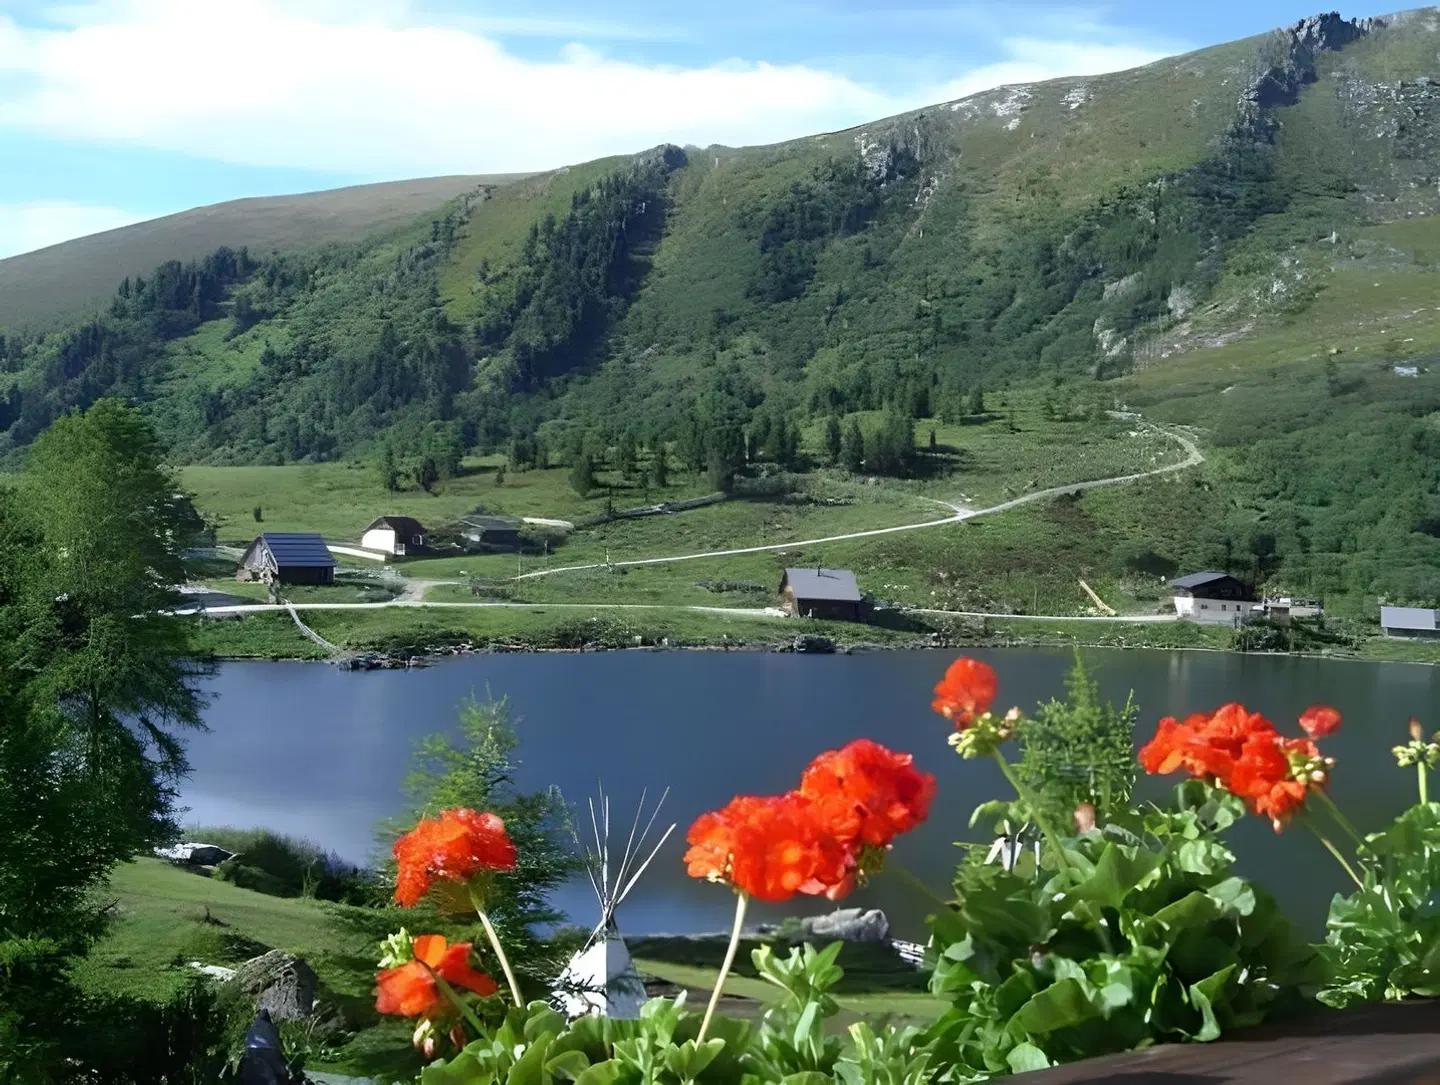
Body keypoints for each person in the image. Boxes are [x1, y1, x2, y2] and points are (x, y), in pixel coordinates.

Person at [238, 1009, 303, 1085]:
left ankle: (266, 1012)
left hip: (264, 1051)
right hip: (259, 1050)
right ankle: (266, 1013)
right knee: (264, 1027)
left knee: (264, 1027)